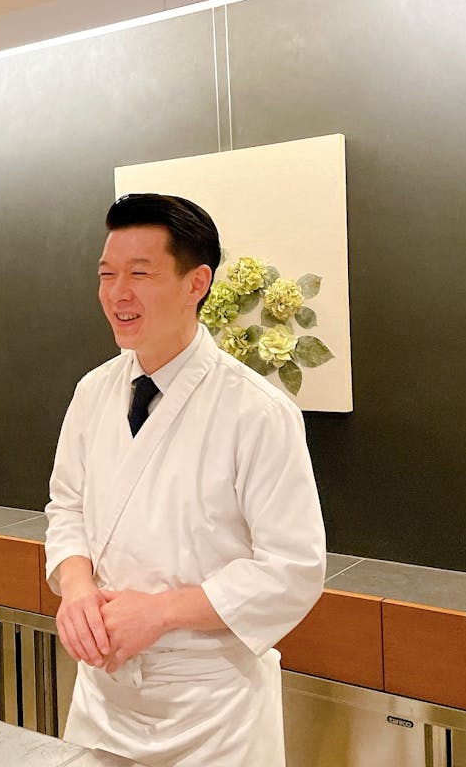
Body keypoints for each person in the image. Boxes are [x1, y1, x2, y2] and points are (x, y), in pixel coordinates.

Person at [43, 193, 327, 766]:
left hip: (212, 712)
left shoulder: (257, 411)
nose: (117, 293)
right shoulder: (92, 392)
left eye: (139, 274)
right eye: (107, 275)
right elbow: (66, 507)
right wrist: (75, 590)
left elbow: (293, 568)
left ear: (197, 283)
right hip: (104, 697)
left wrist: (160, 613)